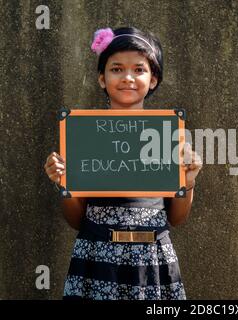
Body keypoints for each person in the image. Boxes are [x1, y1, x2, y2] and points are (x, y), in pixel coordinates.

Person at [43, 26, 202, 300]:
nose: (128, 77)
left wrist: (188, 182)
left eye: (139, 69)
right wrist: (63, 183)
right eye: (116, 69)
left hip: (151, 258)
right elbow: (75, 219)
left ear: (153, 79)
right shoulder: (82, 135)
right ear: (102, 79)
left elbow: (177, 218)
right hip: (95, 254)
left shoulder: (167, 136)